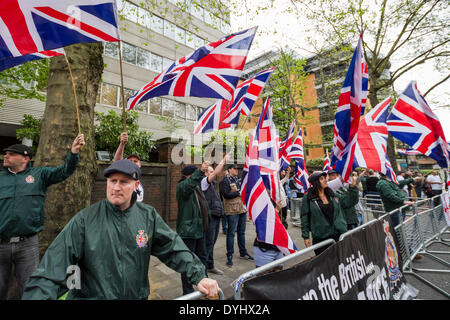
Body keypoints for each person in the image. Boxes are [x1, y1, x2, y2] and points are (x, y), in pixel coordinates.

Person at [22, 160, 218, 299]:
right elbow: (51, 270)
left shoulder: (148, 216)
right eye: (112, 181)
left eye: (123, 182)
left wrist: (199, 275)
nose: (116, 187)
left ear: (136, 185)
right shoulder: (84, 220)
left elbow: (174, 248)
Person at [0, 134, 84, 300]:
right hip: (1, 244)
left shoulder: (40, 175)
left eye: (11, 154)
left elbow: (65, 171)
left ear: (25, 158)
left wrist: (73, 153)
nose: (6, 156)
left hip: (28, 244)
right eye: (6, 154)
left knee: (31, 288)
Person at [176, 163, 211, 295]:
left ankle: (204, 283)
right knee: (187, 262)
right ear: (189, 175)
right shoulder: (182, 187)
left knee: (202, 257)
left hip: (199, 229)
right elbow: (188, 185)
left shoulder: (196, 188)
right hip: (188, 232)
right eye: (195, 174)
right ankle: (188, 291)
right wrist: (200, 172)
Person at [300, 171, 348, 256]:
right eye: (321, 179)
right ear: (315, 182)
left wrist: (353, 187)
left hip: (338, 235)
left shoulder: (332, 194)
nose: (326, 180)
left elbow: (348, 202)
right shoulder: (308, 197)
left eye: (325, 178)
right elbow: (304, 217)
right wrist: (306, 236)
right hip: (321, 238)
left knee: (340, 261)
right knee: (326, 264)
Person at [219, 164, 253, 267]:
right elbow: (225, 194)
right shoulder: (224, 181)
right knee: (231, 233)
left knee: (241, 232)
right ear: (229, 170)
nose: (237, 170)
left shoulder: (238, 180)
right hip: (232, 210)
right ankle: (229, 255)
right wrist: (238, 193)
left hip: (241, 209)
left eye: (237, 169)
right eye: (234, 168)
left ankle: (243, 252)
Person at [201, 155, 229, 276]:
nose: (214, 174)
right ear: (206, 173)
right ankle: (202, 271)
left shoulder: (212, 184)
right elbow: (217, 172)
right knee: (208, 243)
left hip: (216, 215)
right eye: (211, 172)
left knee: (212, 243)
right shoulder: (204, 182)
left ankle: (210, 265)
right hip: (210, 217)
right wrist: (223, 161)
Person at [113, 131, 144, 202]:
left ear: (140, 165)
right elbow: (117, 162)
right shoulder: (123, 176)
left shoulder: (138, 182)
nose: (132, 163)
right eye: (130, 161)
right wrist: (122, 144)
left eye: (135, 161)